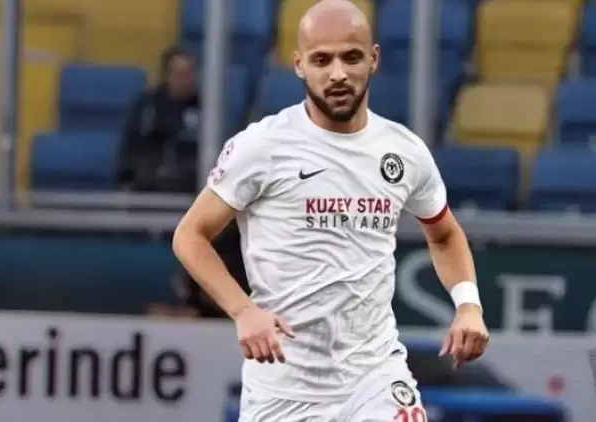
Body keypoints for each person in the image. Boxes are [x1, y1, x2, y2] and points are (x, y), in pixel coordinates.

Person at [172, 1, 489, 421]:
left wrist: (468, 305)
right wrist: (243, 310)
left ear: (373, 59)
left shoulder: (404, 150)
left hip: (375, 376)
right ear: (299, 65)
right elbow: (190, 236)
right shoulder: (263, 146)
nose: (337, 73)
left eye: (351, 57)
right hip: (284, 387)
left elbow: (444, 234)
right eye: (322, 60)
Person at [118, 46, 200, 193]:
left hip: (191, 187)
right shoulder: (148, 108)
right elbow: (131, 151)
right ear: (166, 76)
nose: (186, 80)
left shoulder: (205, 108)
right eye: (179, 74)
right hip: (150, 186)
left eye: (189, 73)